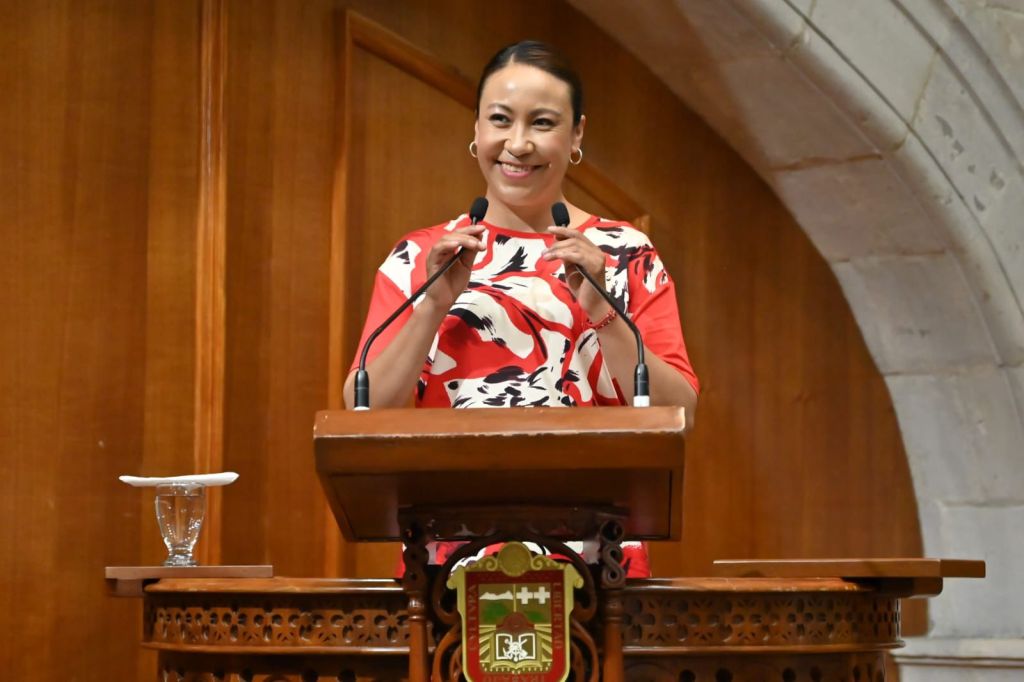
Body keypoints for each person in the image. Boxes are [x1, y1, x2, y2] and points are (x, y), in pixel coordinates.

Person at [344, 41, 699, 576]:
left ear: (576, 134)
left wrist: (602, 309)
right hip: (444, 567)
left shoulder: (625, 254)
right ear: (477, 129)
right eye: (501, 120)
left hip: (601, 569)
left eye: (542, 123)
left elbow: (680, 415)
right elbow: (362, 411)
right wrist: (433, 305)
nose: (518, 144)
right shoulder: (422, 257)